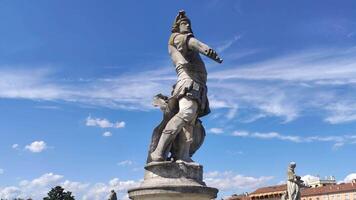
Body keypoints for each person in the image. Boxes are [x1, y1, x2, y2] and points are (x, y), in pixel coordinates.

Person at [149, 10, 222, 163]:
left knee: (190, 122)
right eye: (183, 23)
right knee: (187, 114)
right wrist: (208, 51)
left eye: (189, 23)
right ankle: (159, 152)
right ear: (177, 27)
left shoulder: (182, 39)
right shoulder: (178, 38)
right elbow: (195, 43)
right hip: (188, 82)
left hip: (198, 85)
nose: (187, 25)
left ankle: (183, 155)